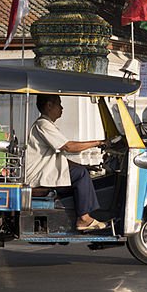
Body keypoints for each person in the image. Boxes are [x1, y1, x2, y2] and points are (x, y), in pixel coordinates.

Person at [24, 94, 109, 232]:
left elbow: (58, 157)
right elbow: (68, 147)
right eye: (59, 104)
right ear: (49, 105)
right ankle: (84, 218)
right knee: (81, 174)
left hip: (45, 171)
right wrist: (98, 142)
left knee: (81, 170)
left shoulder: (46, 124)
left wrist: (84, 165)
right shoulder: (43, 124)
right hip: (38, 175)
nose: (62, 108)